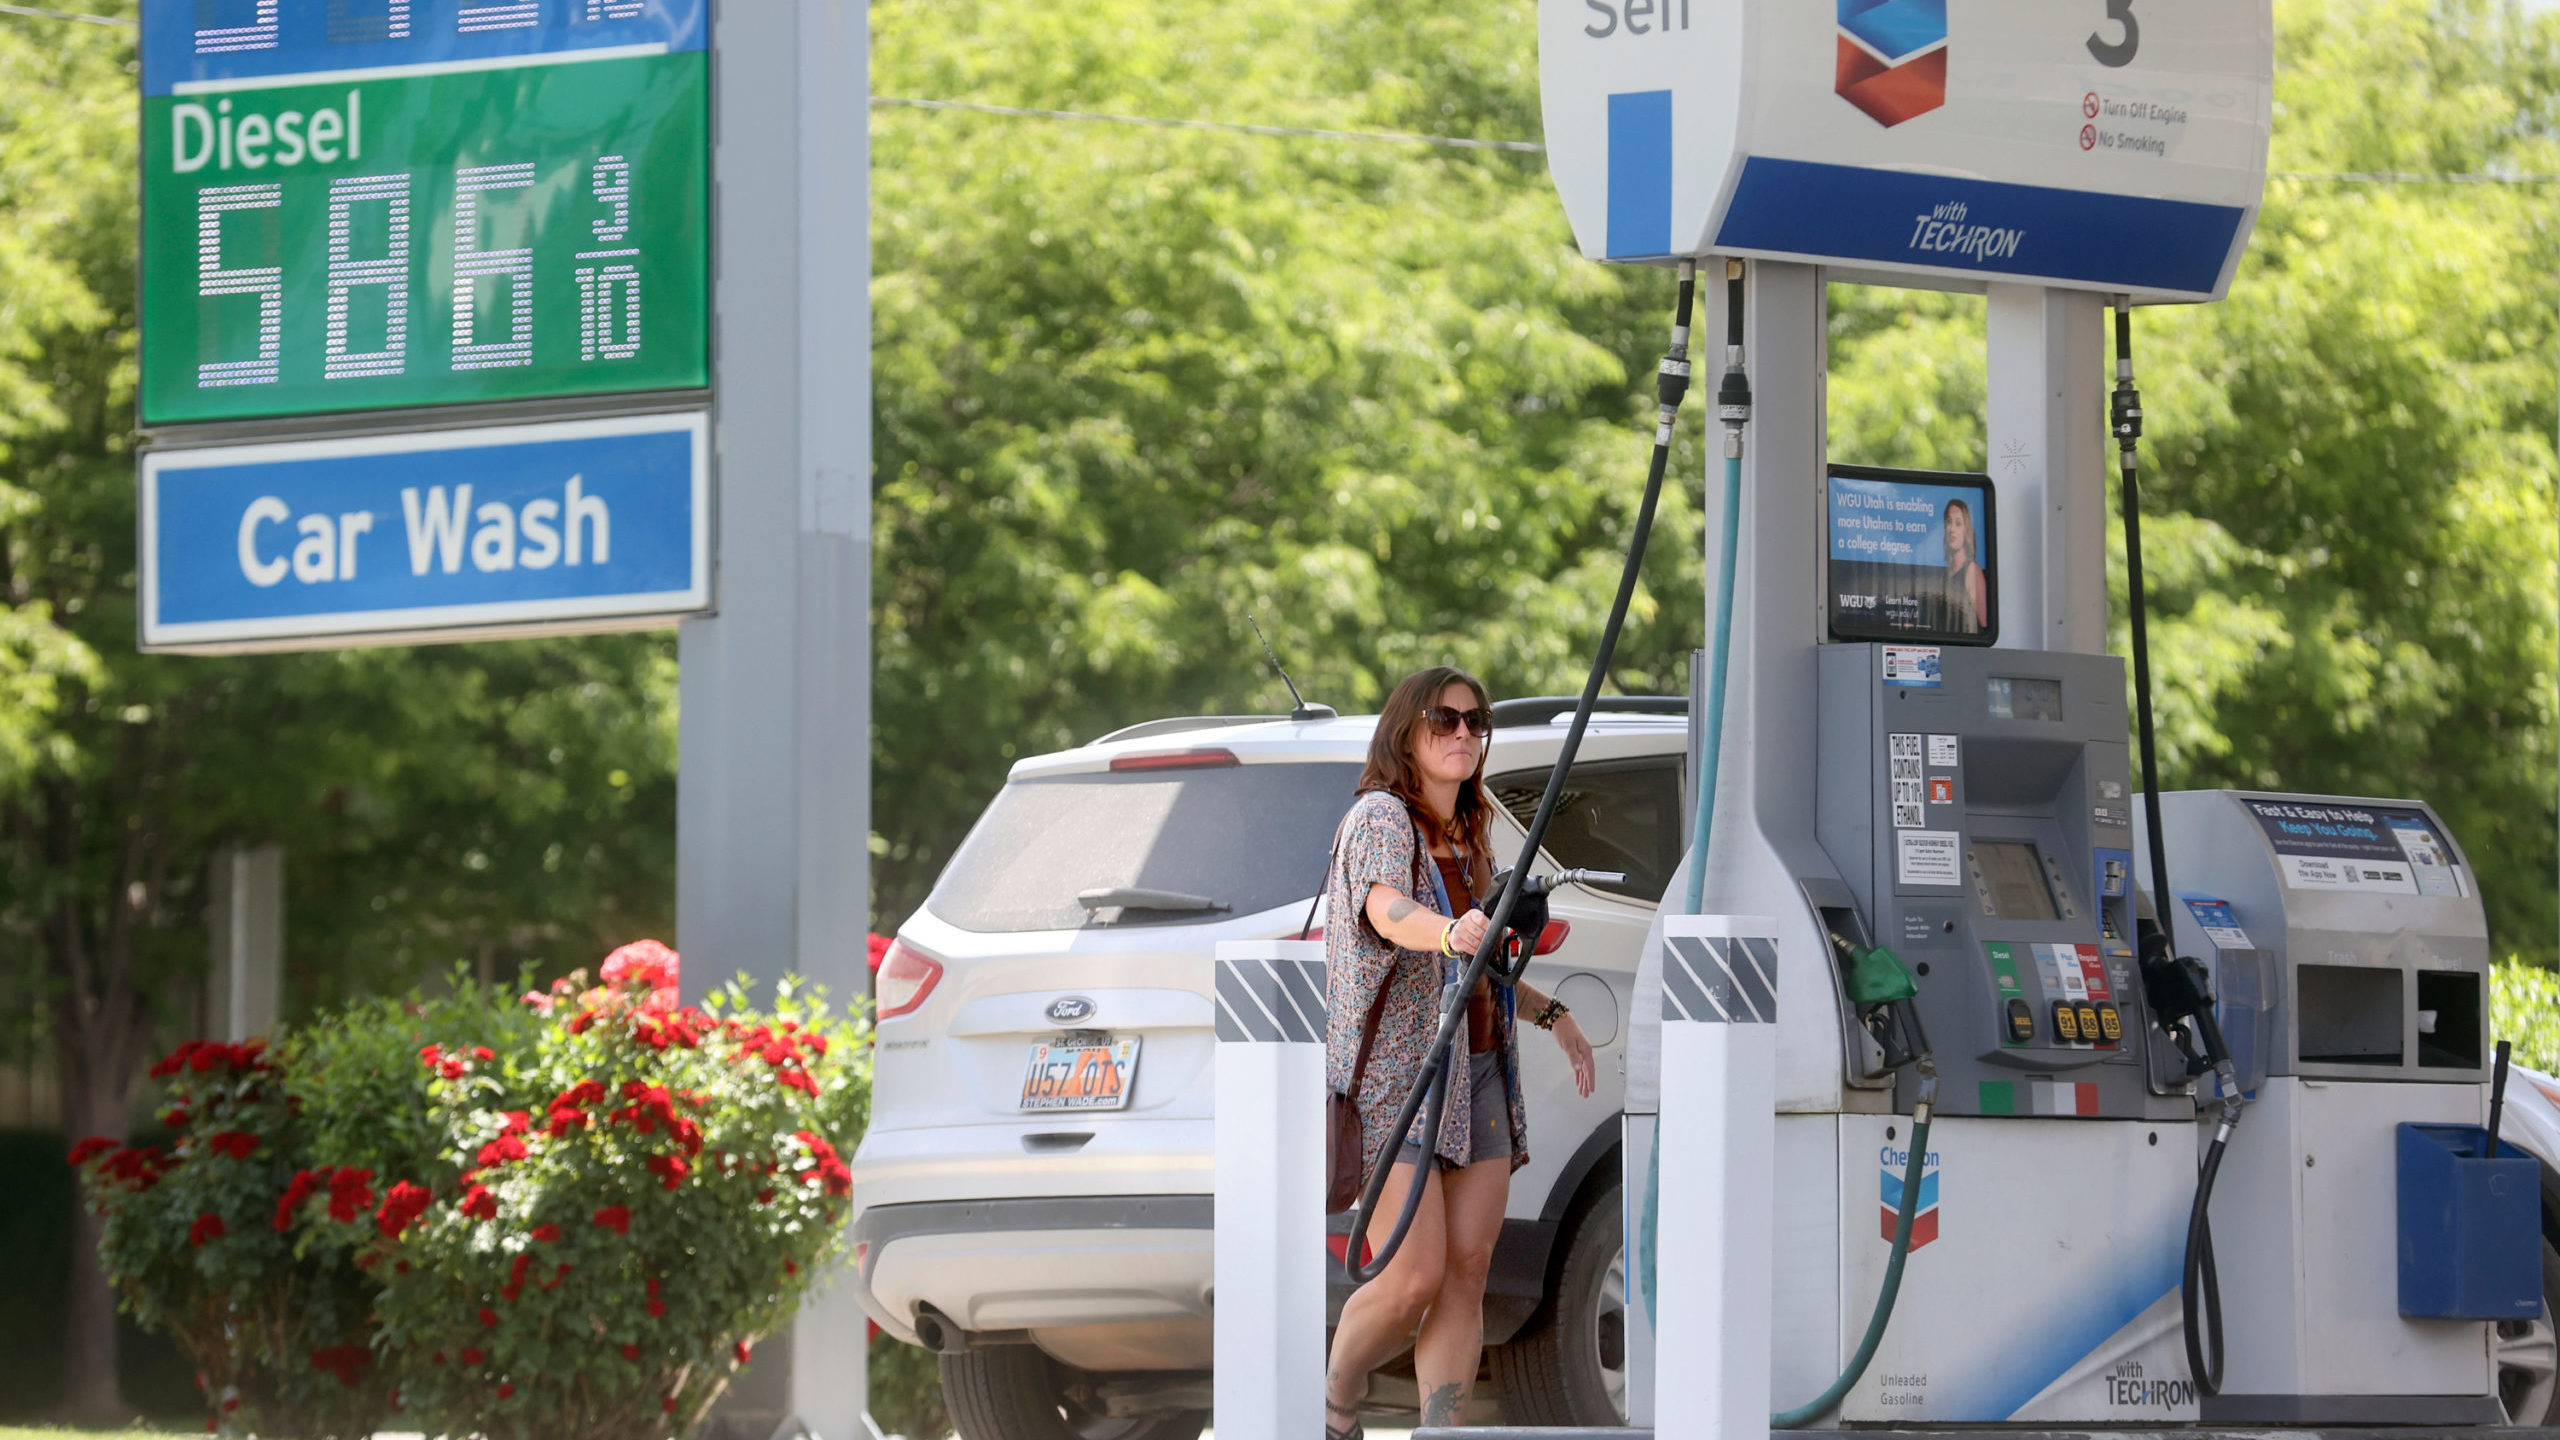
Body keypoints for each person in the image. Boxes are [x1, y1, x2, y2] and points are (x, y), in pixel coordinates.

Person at [1322, 666, 1598, 1437]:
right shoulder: (1382, 817)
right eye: (1443, 720)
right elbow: (1386, 909)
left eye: (1476, 723)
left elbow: (1484, 965)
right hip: (1400, 1082)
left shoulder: (1469, 831)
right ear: (1405, 731)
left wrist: (1551, 1015)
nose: (1463, 735)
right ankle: (1335, 1402)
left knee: (1467, 1274)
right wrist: (1444, 930)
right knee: (1411, 1276)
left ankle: (1440, 1431)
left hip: (1477, 1073)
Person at [1943, 496, 1988, 633]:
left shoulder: (1972, 571)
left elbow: (1984, 626)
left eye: (1958, 523)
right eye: (1949, 522)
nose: (1952, 529)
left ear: (1966, 530)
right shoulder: (1945, 576)